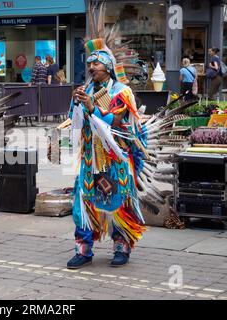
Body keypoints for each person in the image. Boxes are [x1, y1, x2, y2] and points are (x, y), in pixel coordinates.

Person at [66, 38, 146, 269]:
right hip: (91, 158)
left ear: (108, 67)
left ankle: (121, 247)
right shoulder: (86, 90)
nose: (91, 68)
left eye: (97, 64)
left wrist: (93, 107)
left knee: (119, 201)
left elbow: (118, 121)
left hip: (115, 157)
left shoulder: (123, 92)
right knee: (84, 201)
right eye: (89, 64)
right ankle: (83, 249)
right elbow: (75, 122)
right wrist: (75, 103)